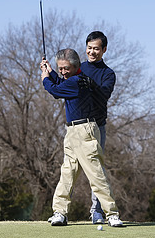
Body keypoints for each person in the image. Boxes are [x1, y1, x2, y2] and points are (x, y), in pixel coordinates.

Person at [40, 48, 123, 227]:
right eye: (60, 68)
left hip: (85, 131)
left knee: (96, 174)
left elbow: (55, 90)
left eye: (65, 68)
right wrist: (50, 71)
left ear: (76, 66)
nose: (63, 72)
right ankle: (60, 212)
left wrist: (45, 78)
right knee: (67, 173)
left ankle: (112, 214)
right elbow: (60, 84)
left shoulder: (76, 82)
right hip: (72, 132)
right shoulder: (76, 79)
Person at [78, 31, 116, 225]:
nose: (92, 52)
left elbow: (103, 96)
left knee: (97, 169)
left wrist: (90, 84)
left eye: (96, 49)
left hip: (97, 126)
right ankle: (61, 211)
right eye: (89, 48)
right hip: (76, 127)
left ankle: (96, 210)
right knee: (70, 168)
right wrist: (48, 72)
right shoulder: (78, 68)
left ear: (104, 50)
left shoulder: (107, 73)